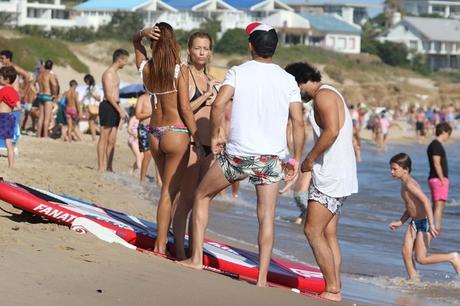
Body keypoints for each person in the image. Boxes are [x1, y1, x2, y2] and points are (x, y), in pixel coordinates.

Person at [179, 22, 305, 288]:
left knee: (202, 196)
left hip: (236, 157)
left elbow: (219, 104)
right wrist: (295, 160)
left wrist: (215, 135)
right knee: (266, 217)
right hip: (269, 160)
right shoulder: (288, 80)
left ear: (251, 46)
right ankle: (261, 279)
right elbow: (298, 122)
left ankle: (197, 259)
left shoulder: (238, 72)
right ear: (275, 48)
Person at [285, 61, 358, 301]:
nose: (296, 95)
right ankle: (335, 285)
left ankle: (333, 289)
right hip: (341, 174)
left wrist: (309, 159)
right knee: (328, 234)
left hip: (331, 175)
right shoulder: (330, 92)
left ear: (301, 82)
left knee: (312, 230)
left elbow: (332, 131)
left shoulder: (322, 97)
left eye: (295, 90)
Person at [133, 22, 200, 255]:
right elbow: (184, 107)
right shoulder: (178, 69)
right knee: (169, 193)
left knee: (169, 190)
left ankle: (165, 241)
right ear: (173, 43)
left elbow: (135, 42)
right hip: (176, 132)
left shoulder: (147, 68)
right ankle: (160, 246)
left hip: (154, 133)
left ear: (153, 42)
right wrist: (198, 138)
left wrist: (141, 34)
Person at [172, 31, 220, 259]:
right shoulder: (185, 73)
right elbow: (184, 109)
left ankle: (194, 250)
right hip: (193, 143)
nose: (202, 52)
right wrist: (207, 95)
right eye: (198, 48)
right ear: (189, 50)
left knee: (202, 201)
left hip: (211, 147)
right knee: (187, 200)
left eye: (206, 48)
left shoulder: (211, 78)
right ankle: (180, 250)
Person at [388, 153, 460, 280]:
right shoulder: (403, 184)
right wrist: (400, 221)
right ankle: (414, 279)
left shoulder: (410, 184)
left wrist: (431, 224)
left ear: (405, 170)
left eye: (395, 169)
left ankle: (452, 257)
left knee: (421, 259)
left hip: (424, 222)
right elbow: (411, 207)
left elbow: (426, 201)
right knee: (406, 252)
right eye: (391, 168)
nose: (391, 171)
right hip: (414, 222)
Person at [97, 49, 129, 172]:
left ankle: (109, 167)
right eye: (125, 60)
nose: (125, 63)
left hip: (115, 105)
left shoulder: (116, 74)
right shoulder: (109, 74)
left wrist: (119, 109)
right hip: (108, 106)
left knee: (112, 140)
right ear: (119, 59)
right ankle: (101, 167)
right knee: (104, 137)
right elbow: (109, 95)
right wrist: (120, 110)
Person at [427, 122, 452, 231]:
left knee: (436, 205)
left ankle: (432, 227)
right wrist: (442, 179)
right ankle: (436, 229)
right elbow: (436, 163)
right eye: (448, 133)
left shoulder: (434, 145)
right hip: (437, 179)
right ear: (443, 132)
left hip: (434, 178)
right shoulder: (436, 145)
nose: (448, 136)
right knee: (439, 205)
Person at [0, 66, 20, 168]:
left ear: (6, 79)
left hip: (2, 117)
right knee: (9, 143)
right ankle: (11, 165)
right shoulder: (14, 92)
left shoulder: (3, 90)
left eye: (0, 78)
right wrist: (10, 110)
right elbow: (18, 106)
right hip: (10, 117)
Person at [35, 59, 59, 138]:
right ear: (52, 66)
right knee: (47, 117)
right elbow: (54, 85)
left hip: (40, 95)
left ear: (45, 66)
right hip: (48, 96)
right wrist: (54, 94)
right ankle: (45, 135)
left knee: (41, 116)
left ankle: (38, 135)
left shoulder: (40, 74)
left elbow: (33, 84)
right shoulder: (50, 74)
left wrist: (36, 91)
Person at [80, 74, 101, 141]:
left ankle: (95, 137)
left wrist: (92, 94)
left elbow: (99, 98)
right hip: (89, 107)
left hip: (94, 107)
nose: (85, 82)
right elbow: (85, 98)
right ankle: (94, 138)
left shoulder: (95, 87)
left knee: (91, 122)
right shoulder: (88, 88)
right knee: (91, 122)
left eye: (86, 81)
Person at [127, 107, 143, 174]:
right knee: (138, 157)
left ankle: (131, 171)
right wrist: (134, 134)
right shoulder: (134, 118)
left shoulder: (143, 119)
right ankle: (142, 174)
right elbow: (128, 129)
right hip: (133, 140)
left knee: (141, 158)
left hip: (141, 141)